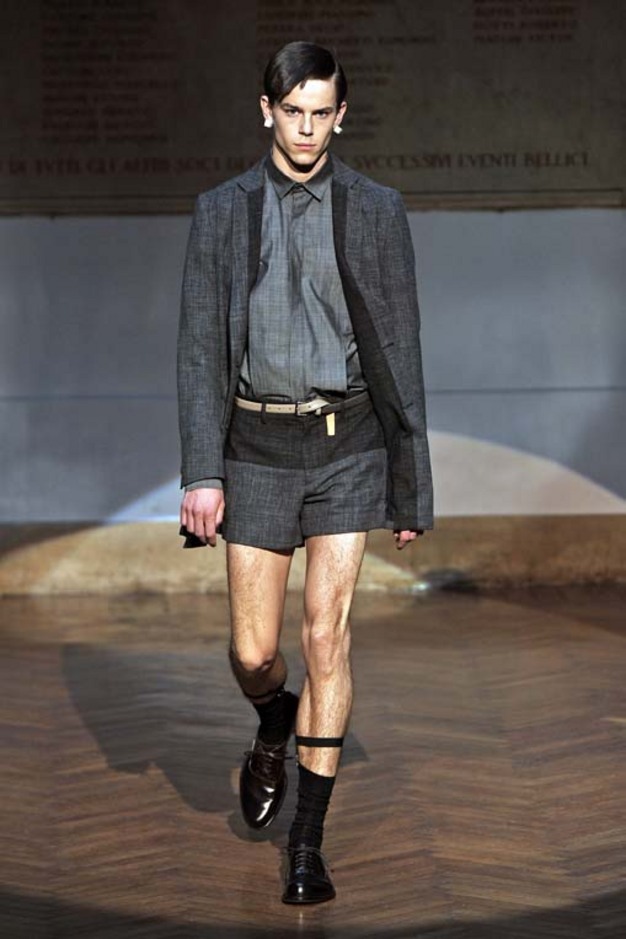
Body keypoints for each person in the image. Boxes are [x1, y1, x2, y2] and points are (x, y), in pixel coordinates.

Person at [177, 40, 433, 905]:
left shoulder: (377, 210)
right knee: (255, 651)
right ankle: (272, 720)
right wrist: (200, 471)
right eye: (293, 112)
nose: (307, 129)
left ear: (341, 116)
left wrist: (410, 480)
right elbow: (200, 349)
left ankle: (305, 845)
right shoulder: (221, 211)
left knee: (328, 637)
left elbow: (401, 349)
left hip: (348, 443)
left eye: (322, 114)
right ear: (267, 111)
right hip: (254, 448)